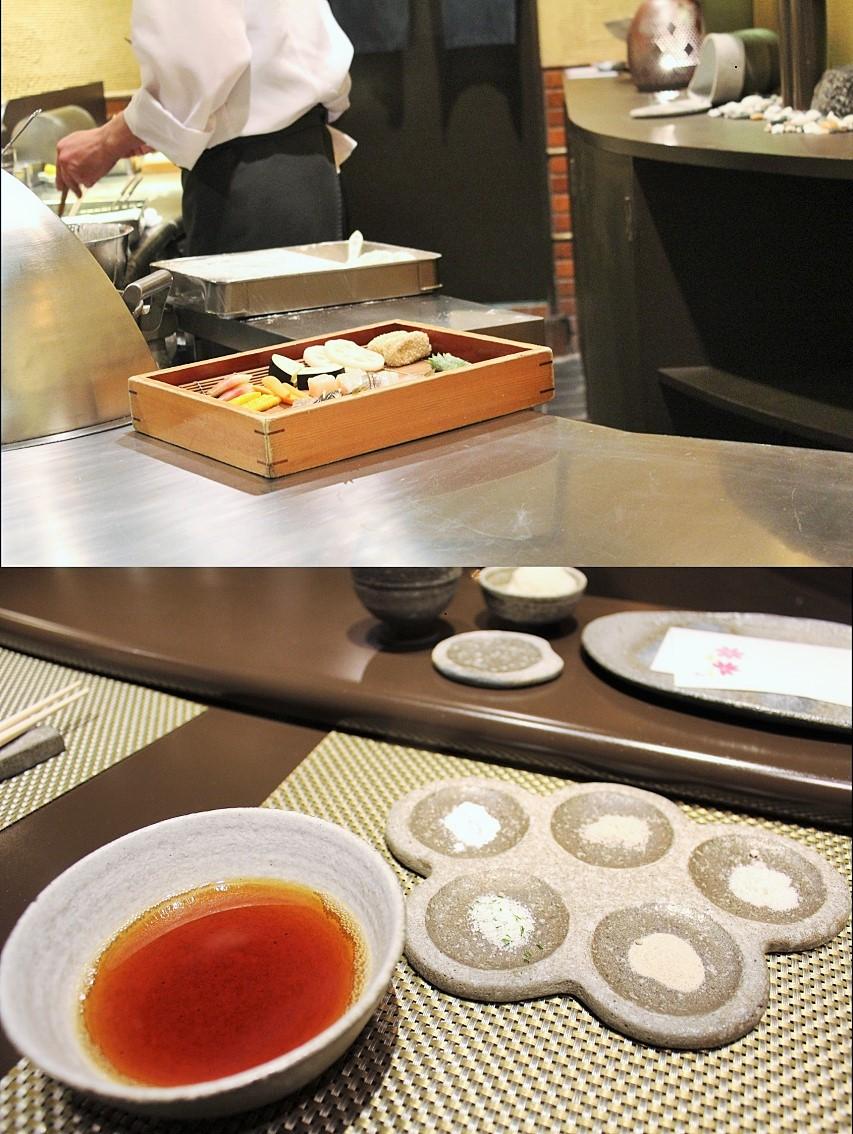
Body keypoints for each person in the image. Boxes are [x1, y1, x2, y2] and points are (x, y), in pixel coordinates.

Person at [55, 0, 354, 256]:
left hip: (249, 181)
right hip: (305, 166)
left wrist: (106, 142)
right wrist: (163, 128)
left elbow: (198, 66)